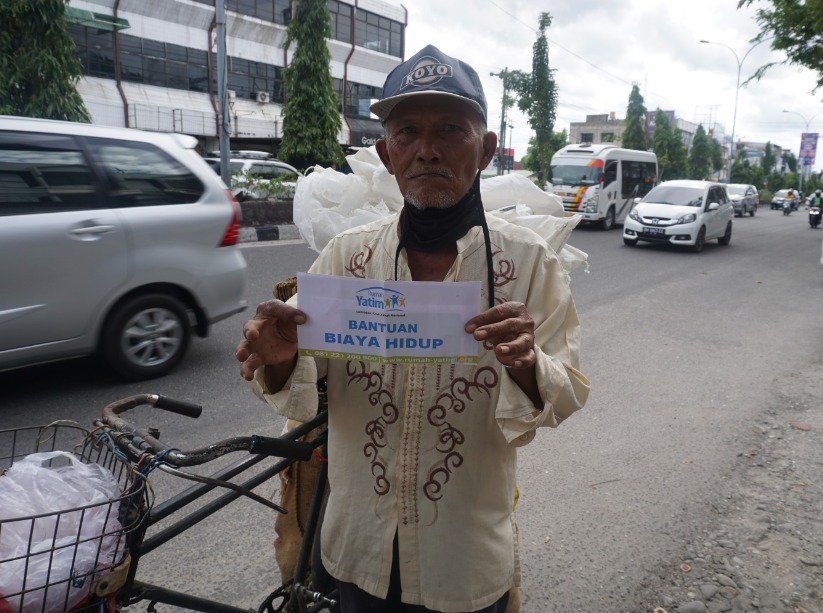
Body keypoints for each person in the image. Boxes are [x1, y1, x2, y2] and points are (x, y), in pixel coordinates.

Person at [235, 44, 590, 613]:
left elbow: (565, 391)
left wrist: (526, 364)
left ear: (487, 148)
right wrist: (278, 355)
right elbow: (297, 379)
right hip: (358, 550)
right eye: (407, 133)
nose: (427, 150)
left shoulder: (528, 265)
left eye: (451, 129)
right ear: (385, 151)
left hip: (465, 556)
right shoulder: (345, 257)